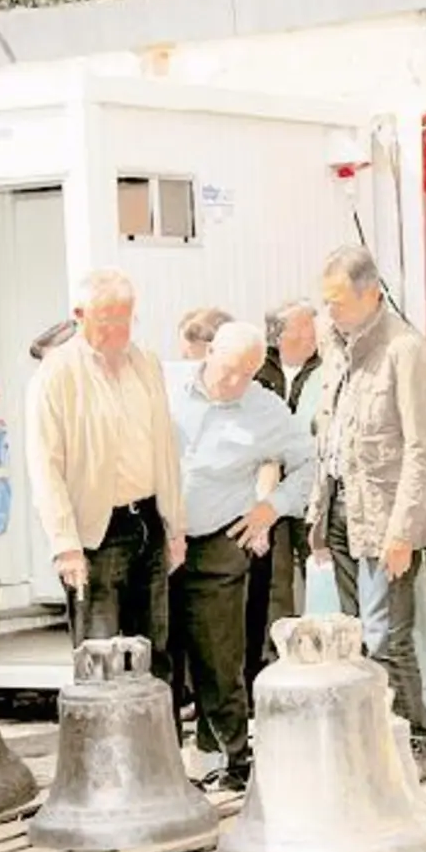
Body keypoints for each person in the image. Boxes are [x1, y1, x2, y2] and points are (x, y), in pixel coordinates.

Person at [309, 245, 426, 780]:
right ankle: (372, 740)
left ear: (371, 294)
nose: (330, 312)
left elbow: (422, 449)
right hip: (343, 508)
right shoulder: (338, 348)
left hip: (386, 517)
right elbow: (332, 434)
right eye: (326, 303)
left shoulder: (406, 352)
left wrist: (403, 531)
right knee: (355, 638)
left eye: (338, 302)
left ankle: (417, 741)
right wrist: (319, 512)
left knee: (388, 636)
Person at [169, 322, 316, 791]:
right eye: (228, 370)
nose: (233, 383)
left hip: (218, 539)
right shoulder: (166, 386)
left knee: (219, 654)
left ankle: (231, 757)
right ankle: (164, 763)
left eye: (246, 375)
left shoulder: (266, 409)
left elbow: (310, 463)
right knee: (159, 655)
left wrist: (270, 509)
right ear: (208, 351)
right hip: (157, 539)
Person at [25, 268, 186, 687]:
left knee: (154, 653)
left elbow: (164, 450)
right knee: (101, 658)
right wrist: (65, 545)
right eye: (106, 318)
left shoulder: (146, 362)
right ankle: (101, 753)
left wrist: (174, 526)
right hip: (97, 533)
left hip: (147, 522)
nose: (118, 328)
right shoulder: (57, 374)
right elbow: (46, 467)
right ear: (79, 315)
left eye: (125, 317)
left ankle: (159, 750)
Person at [245, 299, 324, 690]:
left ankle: (320, 650)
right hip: (272, 487)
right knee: (274, 576)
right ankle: (278, 656)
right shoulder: (259, 370)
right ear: (284, 333)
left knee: (316, 566)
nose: (313, 332)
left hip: (313, 485)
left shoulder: (325, 368)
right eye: (306, 326)